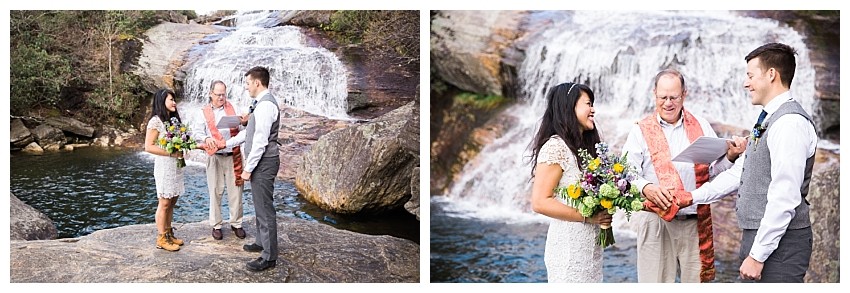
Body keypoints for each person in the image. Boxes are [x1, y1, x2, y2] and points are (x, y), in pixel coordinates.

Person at [664, 43, 816, 283]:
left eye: (750, 76)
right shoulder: (767, 119)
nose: (746, 83)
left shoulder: (790, 124)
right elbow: (740, 173)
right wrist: (691, 197)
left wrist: (757, 255)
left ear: (771, 74)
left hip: (781, 244)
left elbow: (784, 196)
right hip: (763, 239)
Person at [621, 68, 746, 282]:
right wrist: (646, 187)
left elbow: (711, 172)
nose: (668, 103)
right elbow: (626, 172)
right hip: (655, 220)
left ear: (684, 95)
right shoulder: (640, 130)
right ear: (654, 94)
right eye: (663, 97)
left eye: (673, 97)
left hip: (694, 222)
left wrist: (731, 157)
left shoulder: (702, 126)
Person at [529, 82, 613, 282]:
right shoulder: (555, 147)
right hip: (568, 250)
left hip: (590, 251)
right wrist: (587, 217)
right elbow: (540, 202)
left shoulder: (585, 149)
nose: (593, 110)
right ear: (569, 107)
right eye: (588, 104)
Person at [226, 66, 281, 272]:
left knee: (265, 209)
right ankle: (261, 242)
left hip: (264, 162)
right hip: (261, 162)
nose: (246, 87)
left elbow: (260, 141)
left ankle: (269, 257)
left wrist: (247, 169)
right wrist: (226, 144)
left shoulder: (266, 106)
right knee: (259, 205)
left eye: (248, 83)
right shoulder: (259, 104)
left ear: (257, 83)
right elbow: (248, 134)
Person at [191, 80, 247, 241]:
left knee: (236, 191)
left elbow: (243, 129)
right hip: (214, 156)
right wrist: (207, 137)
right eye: (218, 95)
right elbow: (197, 132)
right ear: (210, 93)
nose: (221, 97)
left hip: (233, 154)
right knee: (215, 190)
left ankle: (236, 223)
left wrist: (243, 121)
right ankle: (216, 225)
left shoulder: (233, 108)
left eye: (223, 94)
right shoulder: (203, 112)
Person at [144, 88, 189, 252]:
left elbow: (181, 141)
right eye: (171, 100)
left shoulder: (172, 121)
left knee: (172, 201)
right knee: (164, 203)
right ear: (161, 102)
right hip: (164, 166)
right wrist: (171, 152)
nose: (174, 103)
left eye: (174, 99)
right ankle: (161, 237)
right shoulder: (155, 121)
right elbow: (148, 146)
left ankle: (169, 233)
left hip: (175, 166)